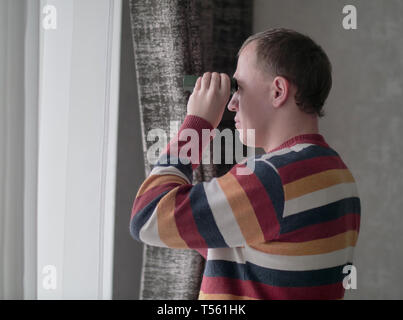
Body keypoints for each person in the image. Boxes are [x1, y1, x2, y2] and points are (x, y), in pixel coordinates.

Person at [130, 28, 361, 300]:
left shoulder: (270, 178)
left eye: (238, 87)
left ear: (278, 91)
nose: (231, 104)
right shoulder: (337, 173)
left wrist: (198, 126)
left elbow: (146, 218)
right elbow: (255, 255)